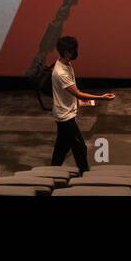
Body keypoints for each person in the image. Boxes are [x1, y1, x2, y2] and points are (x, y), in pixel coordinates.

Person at [50, 35, 115, 172]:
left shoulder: (66, 63)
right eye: (74, 49)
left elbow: (75, 92)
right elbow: (78, 93)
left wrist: (86, 102)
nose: (76, 51)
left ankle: (51, 172)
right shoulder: (61, 73)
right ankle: (84, 175)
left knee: (62, 147)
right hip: (65, 117)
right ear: (67, 51)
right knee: (79, 147)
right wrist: (102, 97)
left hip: (65, 113)